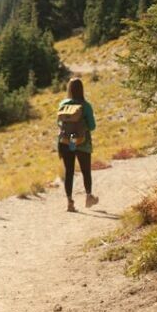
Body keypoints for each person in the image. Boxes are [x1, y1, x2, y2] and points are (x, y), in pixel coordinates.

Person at [57, 77, 98, 212]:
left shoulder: (63, 103)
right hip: (82, 142)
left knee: (69, 172)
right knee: (86, 171)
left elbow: (59, 123)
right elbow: (92, 126)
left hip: (66, 142)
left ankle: (69, 202)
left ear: (69, 89)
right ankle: (88, 197)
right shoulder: (86, 106)